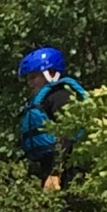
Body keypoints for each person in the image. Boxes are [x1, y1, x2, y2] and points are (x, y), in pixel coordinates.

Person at [16, 46, 88, 191]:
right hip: (49, 167)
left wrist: (56, 172)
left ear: (51, 73)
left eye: (34, 77)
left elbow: (67, 133)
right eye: (28, 78)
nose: (30, 83)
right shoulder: (43, 100)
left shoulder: (60, 96)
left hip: (70, 169)